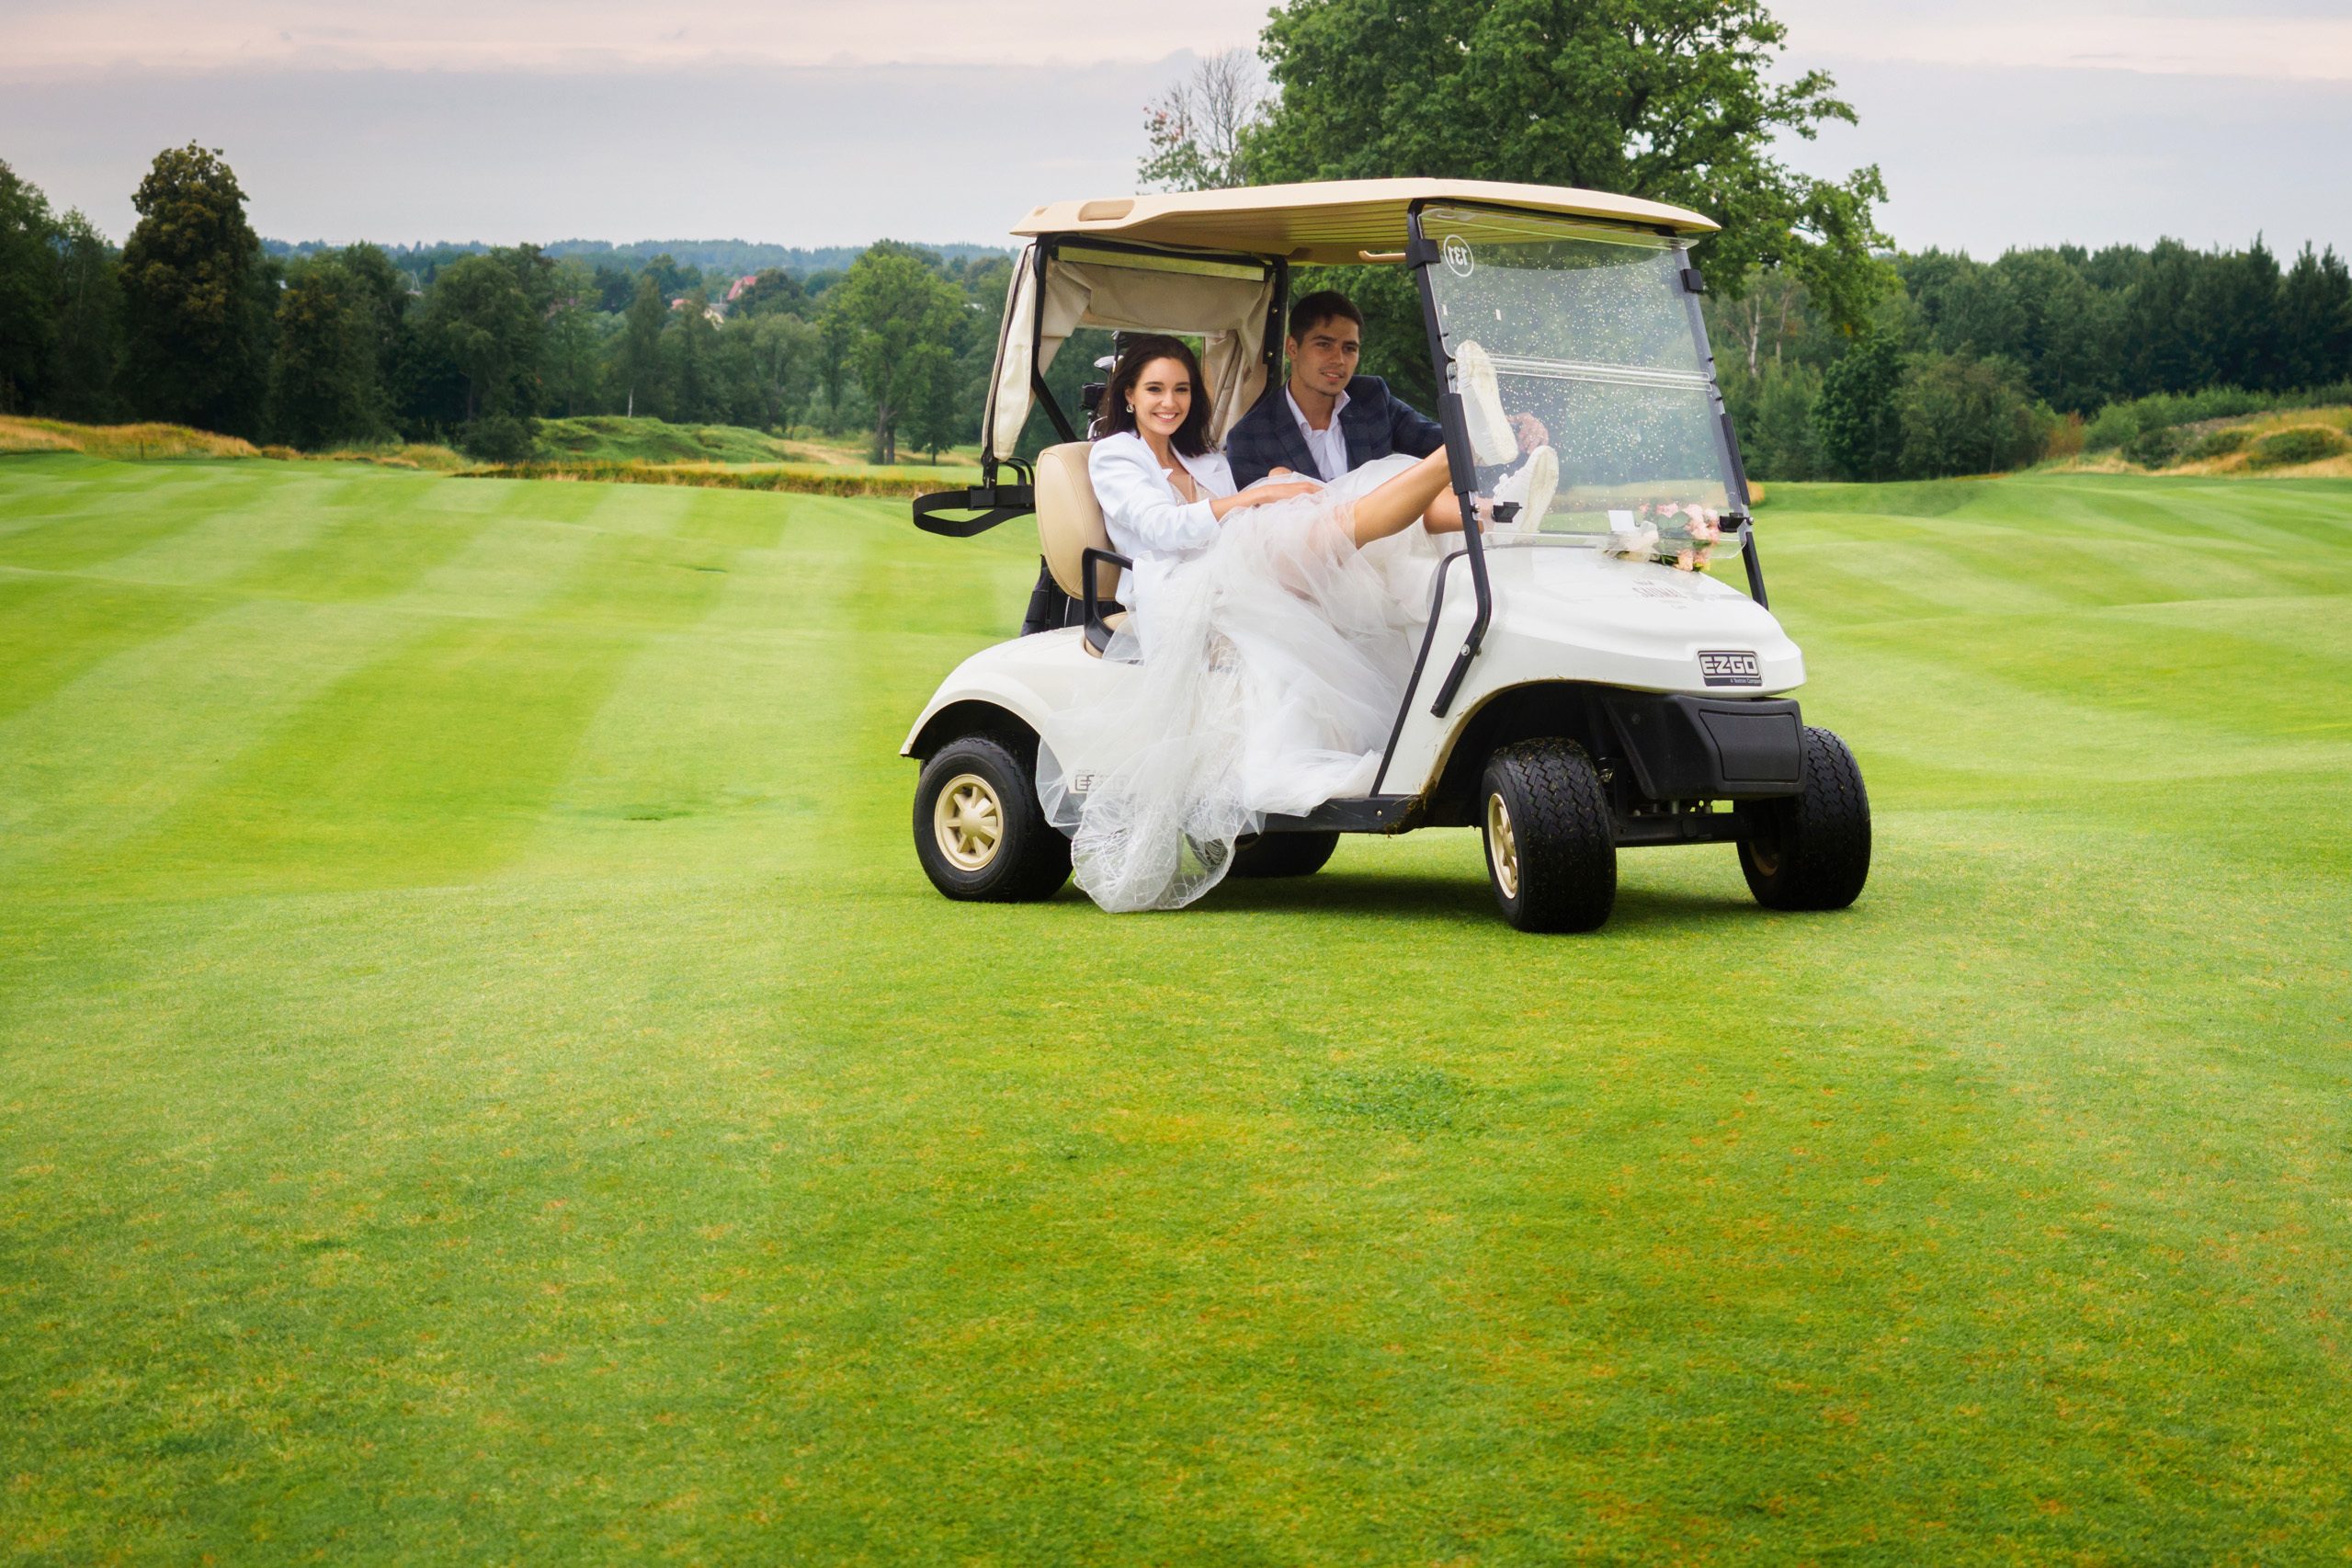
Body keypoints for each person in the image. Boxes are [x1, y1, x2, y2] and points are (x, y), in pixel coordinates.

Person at [1045, 335, 1494, 914]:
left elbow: (1239, 508)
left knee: (1358, 497)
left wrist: (1267, 486)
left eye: (1181, 389)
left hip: (1233, 561)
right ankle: (1459, 456)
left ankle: (1488, 513)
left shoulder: (1202, 457)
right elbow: (1161, 531)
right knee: (1341, 518)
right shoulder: (1115, 456)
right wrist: (1258, 498)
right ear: (1128, 395)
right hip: (1183, 585)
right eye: (1155, 389)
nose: (1170, 402)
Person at [1223, 290, 1445, 490]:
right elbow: (1254, 526)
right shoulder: (1249, 437)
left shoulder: (1371, 397)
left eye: (1349, 349)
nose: (1338, 360)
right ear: (1293, 348)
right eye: (1324, 345)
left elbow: (1445, 445)